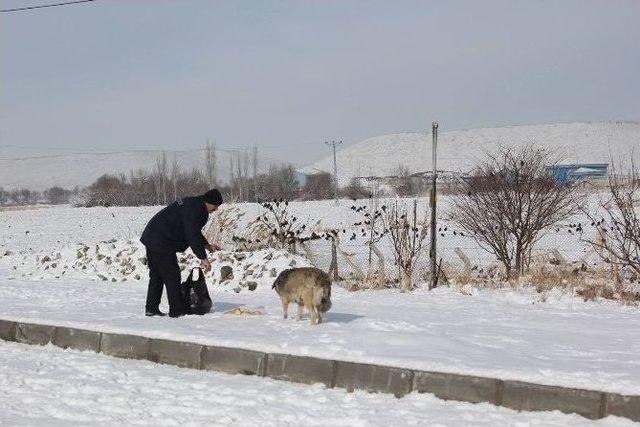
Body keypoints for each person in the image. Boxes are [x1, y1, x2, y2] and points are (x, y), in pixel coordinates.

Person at [140, 189, 223, 317]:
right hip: (161, 239)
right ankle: (176, 311)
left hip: (153, 236)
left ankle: (151, 308)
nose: (216, 209)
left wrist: (207, 245)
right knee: (172, 275)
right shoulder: (194, 209)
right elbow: (192, 234)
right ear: (209, 202)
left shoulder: (195, 204)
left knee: (157, 275)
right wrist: (203, 258)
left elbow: (193, 230)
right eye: (215, 206)